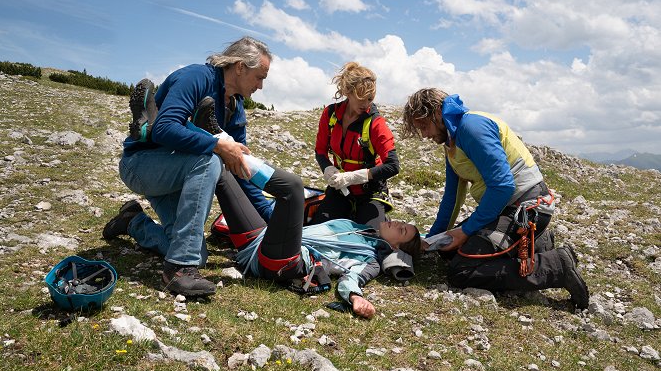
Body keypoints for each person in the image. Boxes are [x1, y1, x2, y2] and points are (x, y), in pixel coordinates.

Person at [102, 36, 272, 297]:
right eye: (259, 77)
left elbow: (241, 169)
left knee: (197, 253)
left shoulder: (235, 107)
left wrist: (270, 220)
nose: (261, 86)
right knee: (210, 160)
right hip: (142, 165)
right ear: (240, 66)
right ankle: (179, 269)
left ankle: (133, 222)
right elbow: (163, 129)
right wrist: (217, 146)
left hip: (178, 174)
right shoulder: (196, 78)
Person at [400, 88, 590, 309]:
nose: (424, 134)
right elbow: (452, 197)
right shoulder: (452, 142)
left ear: (437, 114)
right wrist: (432, 240)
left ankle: (556, 266)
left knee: (462, 271)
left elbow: (502, 186)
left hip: (526, 207)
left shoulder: (472, 128)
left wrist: (465, 231)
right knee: (449, 250)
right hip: (507, 209)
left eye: (423, 125)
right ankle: (536, 244)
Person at [214, 157, 421, 319]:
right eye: (402, 223)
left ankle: (237, 154)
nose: (398, 223)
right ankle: (209, 137)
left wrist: (355, 297)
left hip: (284, 261)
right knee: (220, 172)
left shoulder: (371, 259)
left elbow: (353, 277)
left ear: (395, 247)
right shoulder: (358, 229)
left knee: (293, 188)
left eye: (402, 230)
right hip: (259, 243)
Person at [311, 62, 399, 229]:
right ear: (347, 92)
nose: (366, 104)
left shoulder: (375, 123)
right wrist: (328, 169)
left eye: (370, 98)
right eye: (361, 98)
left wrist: (353, 177)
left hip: (370, 193)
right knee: (318, 231)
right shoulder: (330, 115)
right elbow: (320, 151)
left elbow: (393, 166)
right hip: (340, 190)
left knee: (370, 240)